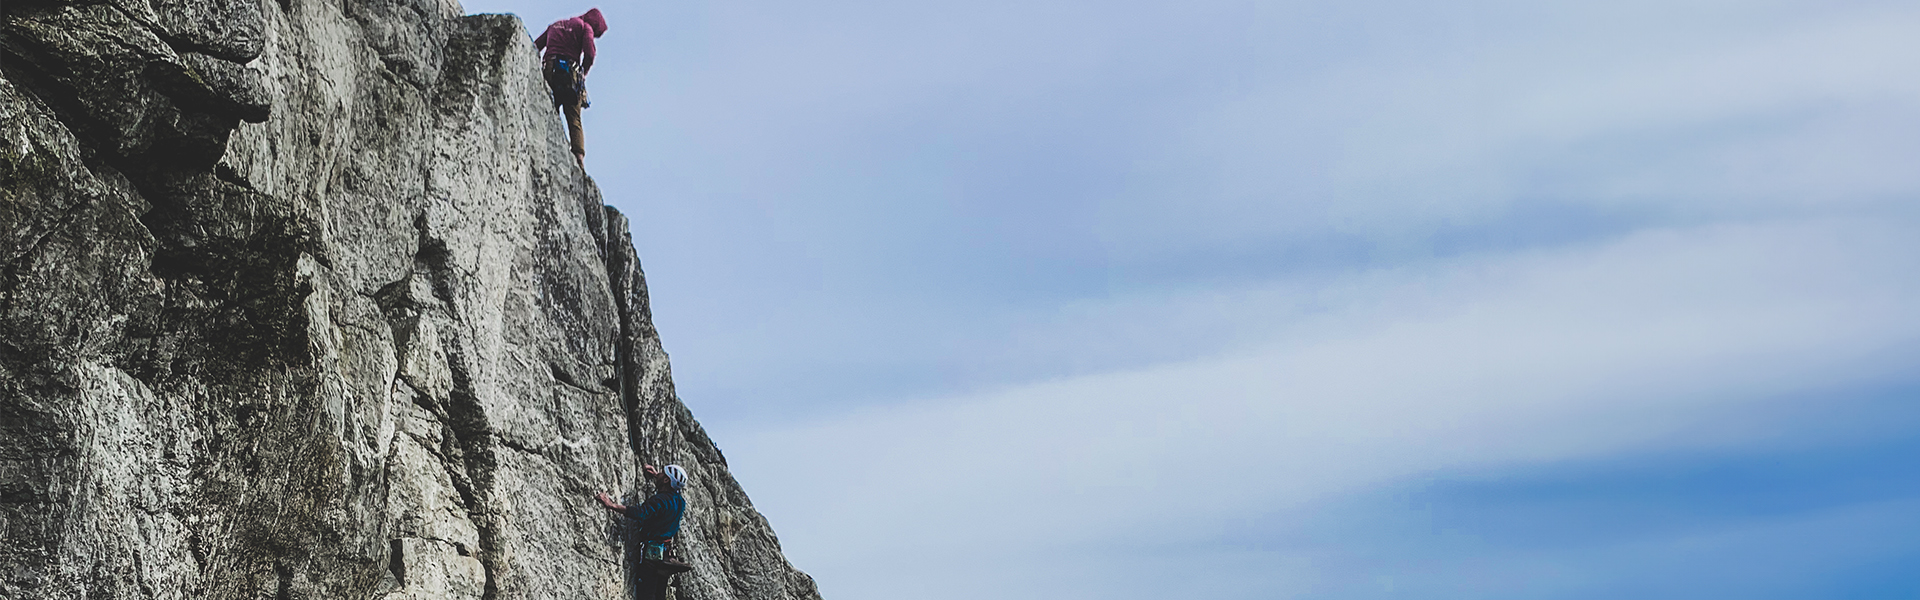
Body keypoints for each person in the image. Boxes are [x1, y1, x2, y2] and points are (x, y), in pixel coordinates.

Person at [596, 464, 688, 600]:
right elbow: (667, 493)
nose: (660, 473)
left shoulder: (660, 500)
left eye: (662, 473)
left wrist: (612, 505)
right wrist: (657, 476)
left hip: (652, 555)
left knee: (647, 594)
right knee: (659, 594)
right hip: (665, 555)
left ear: (666, 480)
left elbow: (640, 513)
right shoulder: (680, 502)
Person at [533, 8, 607, 168]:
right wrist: (583, 73)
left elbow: (535, 46)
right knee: (574, 118)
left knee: (552, 108)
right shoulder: (585, 27)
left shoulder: (555, 25)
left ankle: (545, 139)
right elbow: (590, 53)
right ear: (594, 25)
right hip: (569, 75)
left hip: (549, 71)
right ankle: (579, 157)